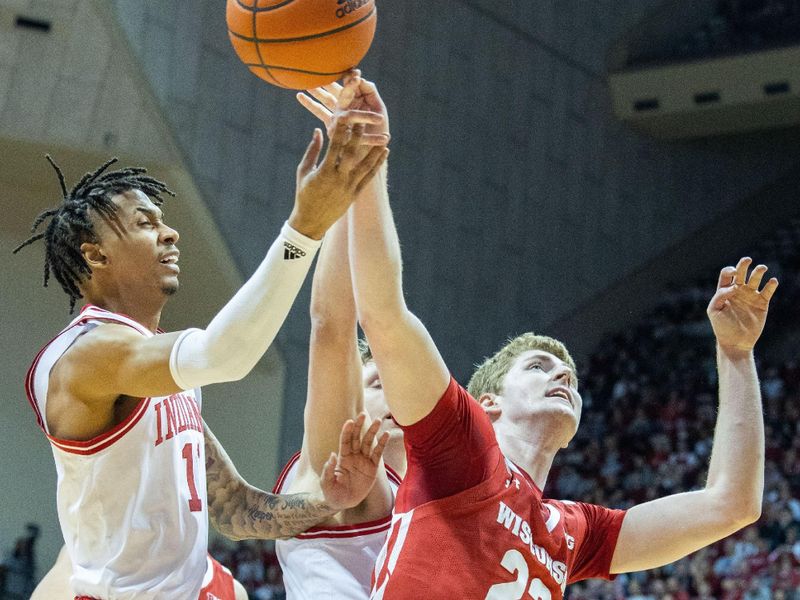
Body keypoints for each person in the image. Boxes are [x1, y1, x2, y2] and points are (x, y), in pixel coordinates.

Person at [312, 74, 778, 598]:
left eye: (569, 375)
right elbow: (383, 313)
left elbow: (732, 504)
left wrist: (736, 354)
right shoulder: (463, 447)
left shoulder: (575, 532)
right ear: (486, 401)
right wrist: (372, 161)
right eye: (538, 367)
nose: (562, 373)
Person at [14, 108, 390, 600]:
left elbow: (234, 508)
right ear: (96, 255)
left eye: (165, 221)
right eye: (146, 223)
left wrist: (327, 500)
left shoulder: (156, 369)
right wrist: (304, 227)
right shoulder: (90, 355)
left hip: (202, 587)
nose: (170, 233)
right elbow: (227, 356)